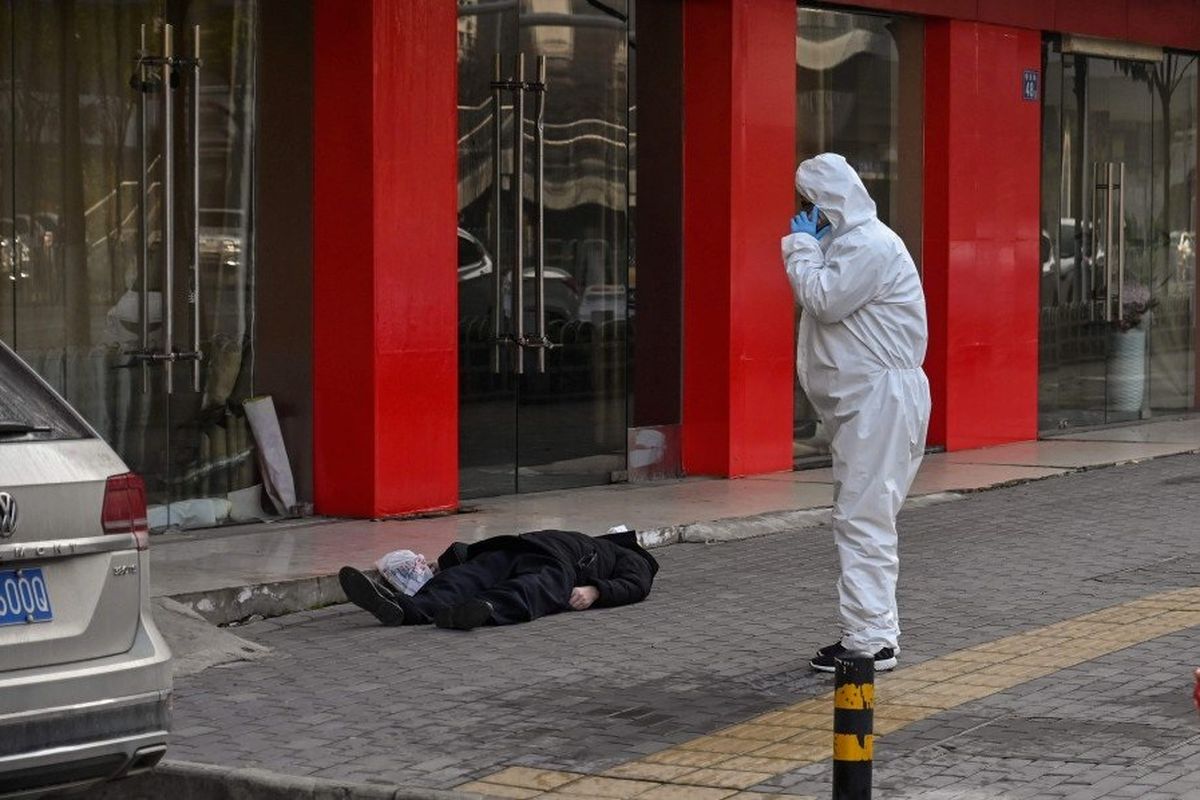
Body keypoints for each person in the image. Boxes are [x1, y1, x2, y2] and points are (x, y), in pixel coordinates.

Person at [781, 153, 931, 673]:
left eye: (808, 206)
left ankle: (869, 642)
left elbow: (823, 299)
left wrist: (801, 245)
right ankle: (874, 633)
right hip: (874, 401)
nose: (803, 216)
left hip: (880, 402)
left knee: (863, 518)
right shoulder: (856, 243)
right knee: (867, 516)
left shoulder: (867, 244)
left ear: (825, 203)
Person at [338, 528, 658, 631]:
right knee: (467, 577)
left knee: (523, 587)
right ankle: (407, 609)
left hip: (556, 563)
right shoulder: (594, 542)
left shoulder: (630, 555)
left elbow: (637, 585)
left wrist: (595, 590)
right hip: (529, 549)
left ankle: (474, 608)